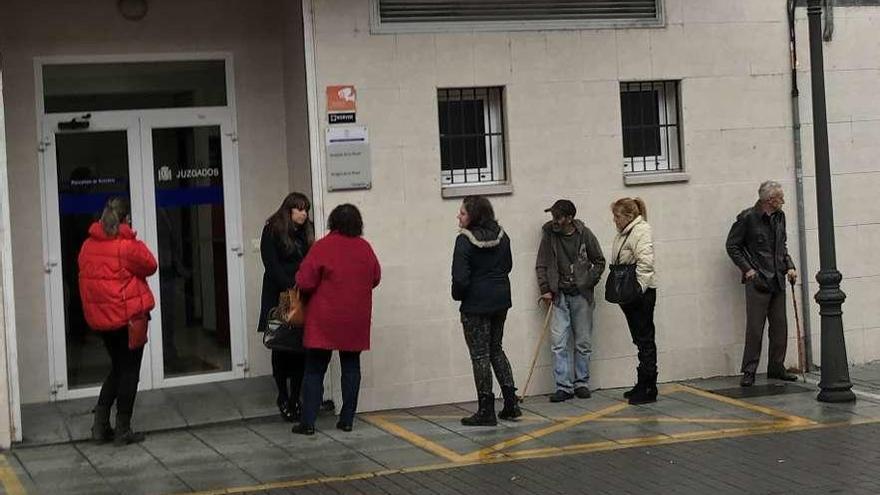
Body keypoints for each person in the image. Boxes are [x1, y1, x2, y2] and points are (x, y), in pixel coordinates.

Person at [292, 204, 381, 435]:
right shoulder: (365, 248)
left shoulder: (323, 247)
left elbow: (305, 282)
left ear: (333, 222)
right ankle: (347, 419)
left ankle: (308, 422)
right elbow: (375, 277)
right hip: (354, 318)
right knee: (351, 367)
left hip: (324, 318)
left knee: (314, 369)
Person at [78, 197, 157, 445]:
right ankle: (122, 429)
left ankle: (100, 426)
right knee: (129, 371)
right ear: (126, 219)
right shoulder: (126, 246)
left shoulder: (88, 245)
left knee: (118, 368)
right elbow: (150, 264)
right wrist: (129, 235)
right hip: (128, 319)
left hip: (103, 320)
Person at [452, 196, 521, 426]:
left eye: (462, 213)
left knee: (479, 355)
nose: (458, 217)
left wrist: (458, 295)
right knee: (496, 349)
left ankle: (486, 410)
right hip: (501, 300)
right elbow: (509, 266)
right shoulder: (503, 236)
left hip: (475, 305)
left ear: (474, 216)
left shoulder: (464, 241)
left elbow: (460, 278)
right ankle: (511, 403)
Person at [726, 181, 798, 387]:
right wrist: (748, 270)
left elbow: (781, 245)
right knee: (755, 329)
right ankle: (749, 370)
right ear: (769, 200)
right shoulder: (748, 218)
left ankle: (777, 367)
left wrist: (789, 265)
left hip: (778, 278)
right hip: (758, 281)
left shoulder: (779, 217)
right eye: (780, 197)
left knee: (780, 327)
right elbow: (732, 245)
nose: (783, 200)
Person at [535, 199, 605, 402]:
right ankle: (563, 387)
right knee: (558, 343)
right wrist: (545, 289)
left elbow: (599, 261)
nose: (554, 221)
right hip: (559, 296)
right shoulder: (549, 235)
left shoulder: (585, 235)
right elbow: (541, 264)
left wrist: (587, 281)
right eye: (553, 216)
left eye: (558, 217)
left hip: (581, 295)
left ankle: (581, 383)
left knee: (583, 341)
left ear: (569, 218)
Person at [259, 192, 314, 421]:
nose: (303, 214)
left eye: (306, 209)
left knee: (300, 349)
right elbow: (271, 265)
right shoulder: (273, 229)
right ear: (289, 210)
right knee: (281, 345)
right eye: (299, 209)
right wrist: (291, 288)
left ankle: (295, 398)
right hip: (281, 296)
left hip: (302, 296)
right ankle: (283, 395)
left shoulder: (307, 231)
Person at [610, 197, 658, 405]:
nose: (614, 220)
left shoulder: (641, 230)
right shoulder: (625, 233)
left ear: (629, 216)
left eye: (617, 216)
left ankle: (649, 386)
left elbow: (646, 262)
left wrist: (638, 289)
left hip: (640, 293)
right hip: (630, 292)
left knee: (645, 339)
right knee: (639, 339)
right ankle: (642, 382)